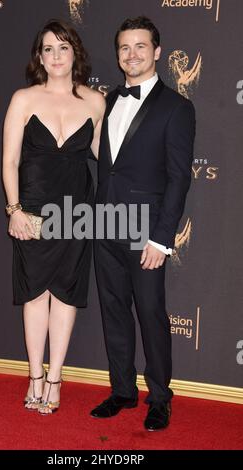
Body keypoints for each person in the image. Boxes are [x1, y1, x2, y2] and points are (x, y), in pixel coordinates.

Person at [91, 16, 195, 430]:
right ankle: (122, 390)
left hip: (146, 229)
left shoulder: (177, 108)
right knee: (113, 309)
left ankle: (160, 397)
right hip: (103, 223)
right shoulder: (108, 100)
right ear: (118, 55)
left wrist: (161, 238)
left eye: (140, 46)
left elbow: (178, 177)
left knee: (150, 312)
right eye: (124, 48)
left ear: (156, 51)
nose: (131, 54)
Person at [2, 19, 105, 415]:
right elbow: (9, 161)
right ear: (39, 57)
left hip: (77, 215)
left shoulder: (95, 101)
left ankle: (56, 378)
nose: (57, 56)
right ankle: (34, 376)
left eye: (63, 47)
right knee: (34, 296)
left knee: (65, 296)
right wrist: (14, 211)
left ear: (74, 52)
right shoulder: (24, 99)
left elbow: (104, 156)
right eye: (49, 49)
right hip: (31, 213)